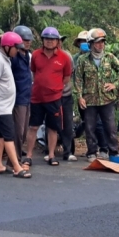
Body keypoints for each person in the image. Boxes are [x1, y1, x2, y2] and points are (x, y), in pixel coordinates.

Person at [0, 32, 31, 178]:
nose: (18, 50)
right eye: (16, 47)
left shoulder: (5, 58)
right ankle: (16, 167)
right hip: (1, 106)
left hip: (3, 105)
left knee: (0, 135)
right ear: (7, 47)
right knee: (10, 136)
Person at [75, 28, 119, 162]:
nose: (100, 44)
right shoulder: (83, 60)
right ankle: (92, 152)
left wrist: (115, 84)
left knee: (110, 127)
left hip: (107, 99)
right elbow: (78, 79)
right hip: (89, 99)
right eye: (97, 42)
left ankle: (113, 152)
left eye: (102, 42)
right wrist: (80, 96)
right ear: (90, 44)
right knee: (90, 127)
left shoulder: (110, 57)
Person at [25, 27, 72, 167]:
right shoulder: (35, 55)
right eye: (47, 39)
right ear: (42, 40)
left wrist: (55, 87)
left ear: (57, 41)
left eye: (52, 39)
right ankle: (28, 156)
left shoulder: (64, 57)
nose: (50, 42)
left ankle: (51, 155)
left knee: (52, 128)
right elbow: (33, 71)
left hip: (54, 98)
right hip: (37, 98)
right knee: (33, 127)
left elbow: (67, 77)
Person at [9, 25, 34, 165]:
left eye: (29, 40)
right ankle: (15, 160)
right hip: (17, 98)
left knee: (24, 131)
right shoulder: (14, 57)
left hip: (27, 97)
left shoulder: (27, 55)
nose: (28, 42)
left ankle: (15, 157)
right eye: (25, 40)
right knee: (18, 131)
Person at [58, 34, 77, 162]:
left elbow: (71, 73)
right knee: (52, 124)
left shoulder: (67, 56)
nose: (58, 43)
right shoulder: (44, 57)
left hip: (66, 94)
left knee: (68, 124)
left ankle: (68, 151)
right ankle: (50, 151)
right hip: (51, 96)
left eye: (60, 41)